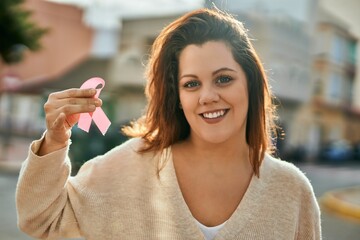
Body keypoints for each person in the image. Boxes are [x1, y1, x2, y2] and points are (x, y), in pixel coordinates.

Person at [16, 8, 321, 240]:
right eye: (191, 84)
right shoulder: (126, 167)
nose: (208, 96)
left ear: (251, 85)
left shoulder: (293, 191)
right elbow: (39, 218)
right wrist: (54, 143)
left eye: (224, 79)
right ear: (177, 96)